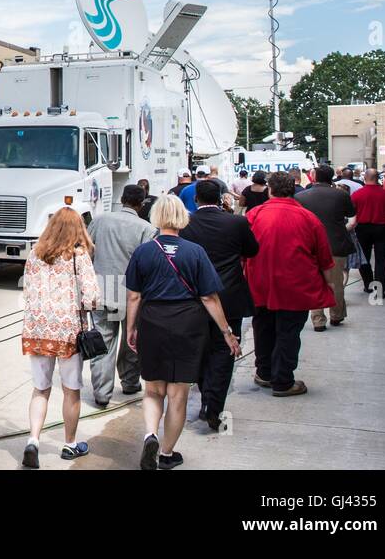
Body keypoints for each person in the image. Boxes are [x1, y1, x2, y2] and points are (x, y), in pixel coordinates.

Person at [125, 195, 239, 470]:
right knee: (178, 394)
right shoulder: (195, 251)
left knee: (153, 390)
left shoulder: (143, 251)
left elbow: (134, 297)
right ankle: (165, 453)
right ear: (181, 217)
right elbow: (209, 298)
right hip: (188, 324)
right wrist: (226, 331)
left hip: (153, 321)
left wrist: (131, 328)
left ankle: (151, 434)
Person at [20, 208, 101, 467]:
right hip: (68, 333)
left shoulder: (35, 254)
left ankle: (33, 440)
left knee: (40, 389)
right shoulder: (79, 256)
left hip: (37, 330)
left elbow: (27, 290)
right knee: (71, 391)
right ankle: (69, 445)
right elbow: (91, 297)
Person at [244, 172, 334, 397]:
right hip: (295, 285)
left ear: (270, 190)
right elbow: (323, 256)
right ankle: (282, 380)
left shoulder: (254, 215)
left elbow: (242, 252)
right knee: (288, 331)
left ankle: (265, 372)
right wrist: (329, 283)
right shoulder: (308, 218)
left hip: (260, 282)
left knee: (263, 327)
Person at [179, 179, 258, 431]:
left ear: (196, 200)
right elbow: (252, 250)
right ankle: (214, 405)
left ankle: (206, 397)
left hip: (195, 297)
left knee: (201, 350)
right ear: (222, 198)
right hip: (230, 295)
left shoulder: (186, 225)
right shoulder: (236, 222)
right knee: (224, 351)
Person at [86, 185, 149, 408]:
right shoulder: (146, 229)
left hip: (102, 291)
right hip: (130, 295)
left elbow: (87, 251)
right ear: (141, 205)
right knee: (131, 339)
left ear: (121, 200)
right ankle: (130, 382)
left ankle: (102, 393)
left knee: (103, 341)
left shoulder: (100, 221)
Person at [296, 165, 357, 330]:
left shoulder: (301, 197)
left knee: (315, 283)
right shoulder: (341, 195)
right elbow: (351, 214)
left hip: (311, 246)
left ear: (314, 177)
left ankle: (318, 320)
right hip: (336, 244)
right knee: (336, 283)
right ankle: (336, 316)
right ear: (331, 178)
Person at [351, 168, 385, 295]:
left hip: (362, 229)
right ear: (377, 179)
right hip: (382, 228)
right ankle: (380, 289)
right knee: (382, 259)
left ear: (365, 178)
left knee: (364, 258)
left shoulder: (356, 195)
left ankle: (368, 284)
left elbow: (351, 215)